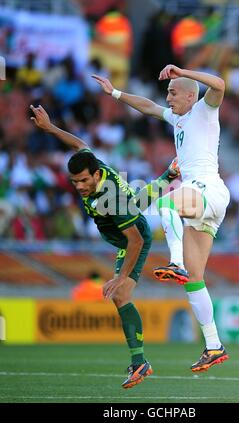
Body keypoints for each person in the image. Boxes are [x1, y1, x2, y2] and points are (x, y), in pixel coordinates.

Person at [92, 63, 230, 372]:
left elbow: (219, 84)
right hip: (204, 199)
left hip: (208, 189)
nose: (167, 98)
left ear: (190, 96)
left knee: (167, 204)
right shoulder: (178, 120)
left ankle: (175, 262)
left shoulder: (204, 111)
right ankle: (213, 345)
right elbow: (148, 107)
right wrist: (114, 92)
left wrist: (185, 71)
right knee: (195, 281)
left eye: (172, 92)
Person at [30, 104, 179, 388]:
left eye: (84, 181)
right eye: (75, 181)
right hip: (127, 216)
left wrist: (121, 276)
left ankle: (140, 364)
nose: (80, 186)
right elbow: (81, 144)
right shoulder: (92, 165)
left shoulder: (109, 201)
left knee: (121, 295)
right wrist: (49, 128)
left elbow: (135, 239)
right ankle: (167, 177)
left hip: (130, 238)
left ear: (97, 175)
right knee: (136, 201)